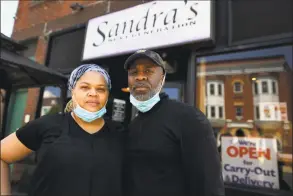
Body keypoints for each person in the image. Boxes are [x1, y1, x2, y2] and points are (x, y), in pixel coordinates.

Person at [1, 64, 125, 196]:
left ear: (107, 95)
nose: (93, 93)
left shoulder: (120, 133)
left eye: (101, 89)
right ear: (73, 91)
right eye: (85, 87)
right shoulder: (48, 125)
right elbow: (2, 155)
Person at [124, 49, 225, 196]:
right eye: (134, 73)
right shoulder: (134, 124)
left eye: (148, 71)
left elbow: (209, 185)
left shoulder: (188, 118)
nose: (140, 77)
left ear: (162, 77)